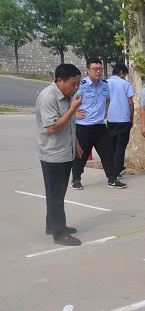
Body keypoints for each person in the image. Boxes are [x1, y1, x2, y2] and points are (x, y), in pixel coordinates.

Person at [35, 64, 84, 246]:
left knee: (58, 193)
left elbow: (70, 124)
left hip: (66, 151)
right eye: (73, 84)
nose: (76, 88)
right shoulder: (48, 97)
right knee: (55, 195)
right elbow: (54, 128)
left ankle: (52, 225)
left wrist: (76, 143)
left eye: (78, 83)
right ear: (60, 80)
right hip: (52, 154)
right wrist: (72, 109)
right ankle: (59, 233)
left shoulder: (68, 96)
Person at [70, 58, 127, 189]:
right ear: (88, 70)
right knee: (81, 155)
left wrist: (106, 110)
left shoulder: (104, 84)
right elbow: (71, 101)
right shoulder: (82, 85)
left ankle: (112, 179)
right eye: (95, 69)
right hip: (84, 126)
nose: (98, 72)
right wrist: (74, 113)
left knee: (107, 153)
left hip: (100, 125)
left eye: (100, 69)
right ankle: (76, 179)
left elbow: (107, 99)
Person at [106, 63, 134, 178]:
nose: (124, 76)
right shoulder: (125, 84)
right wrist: (131, 117)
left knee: (112, 145)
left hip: (111, 119)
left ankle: (112, 168)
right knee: (121, 146)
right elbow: (131, 103)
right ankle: (117, 171)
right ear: (121, 72)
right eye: (125, 74)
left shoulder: (105, 83)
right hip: (123, 119)